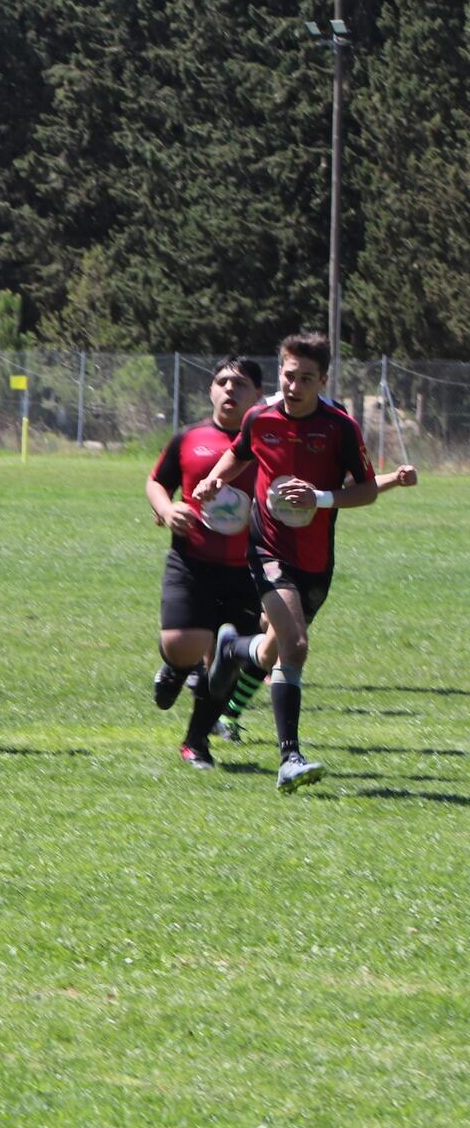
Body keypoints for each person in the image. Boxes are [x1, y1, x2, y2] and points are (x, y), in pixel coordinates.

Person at [197, 331, 379, 792]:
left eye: (306, 378)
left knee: (273, 647)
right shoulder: (260, 417)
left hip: (316, 559)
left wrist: (319, 497)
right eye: (288, 375)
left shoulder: (340, 427)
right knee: (296, 644)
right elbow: (236, 456)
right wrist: (214, 482)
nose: (294, 386)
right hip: (268, 549)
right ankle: (290, 758)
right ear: (279, 370)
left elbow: (368, 490)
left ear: (323, 380)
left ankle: (232, 649)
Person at [144, 354, 264, 768]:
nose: (230, 389)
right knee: (183, 644)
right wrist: (166, 508)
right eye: (222, 381)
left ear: (258, 395)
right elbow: (157, 481)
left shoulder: (270, 441)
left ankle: (196, 742)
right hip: (192, 559)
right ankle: (177, 667)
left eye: (241, 383)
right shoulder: (189, 438)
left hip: (249, 569)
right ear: (211, 390)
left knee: (226, 666)